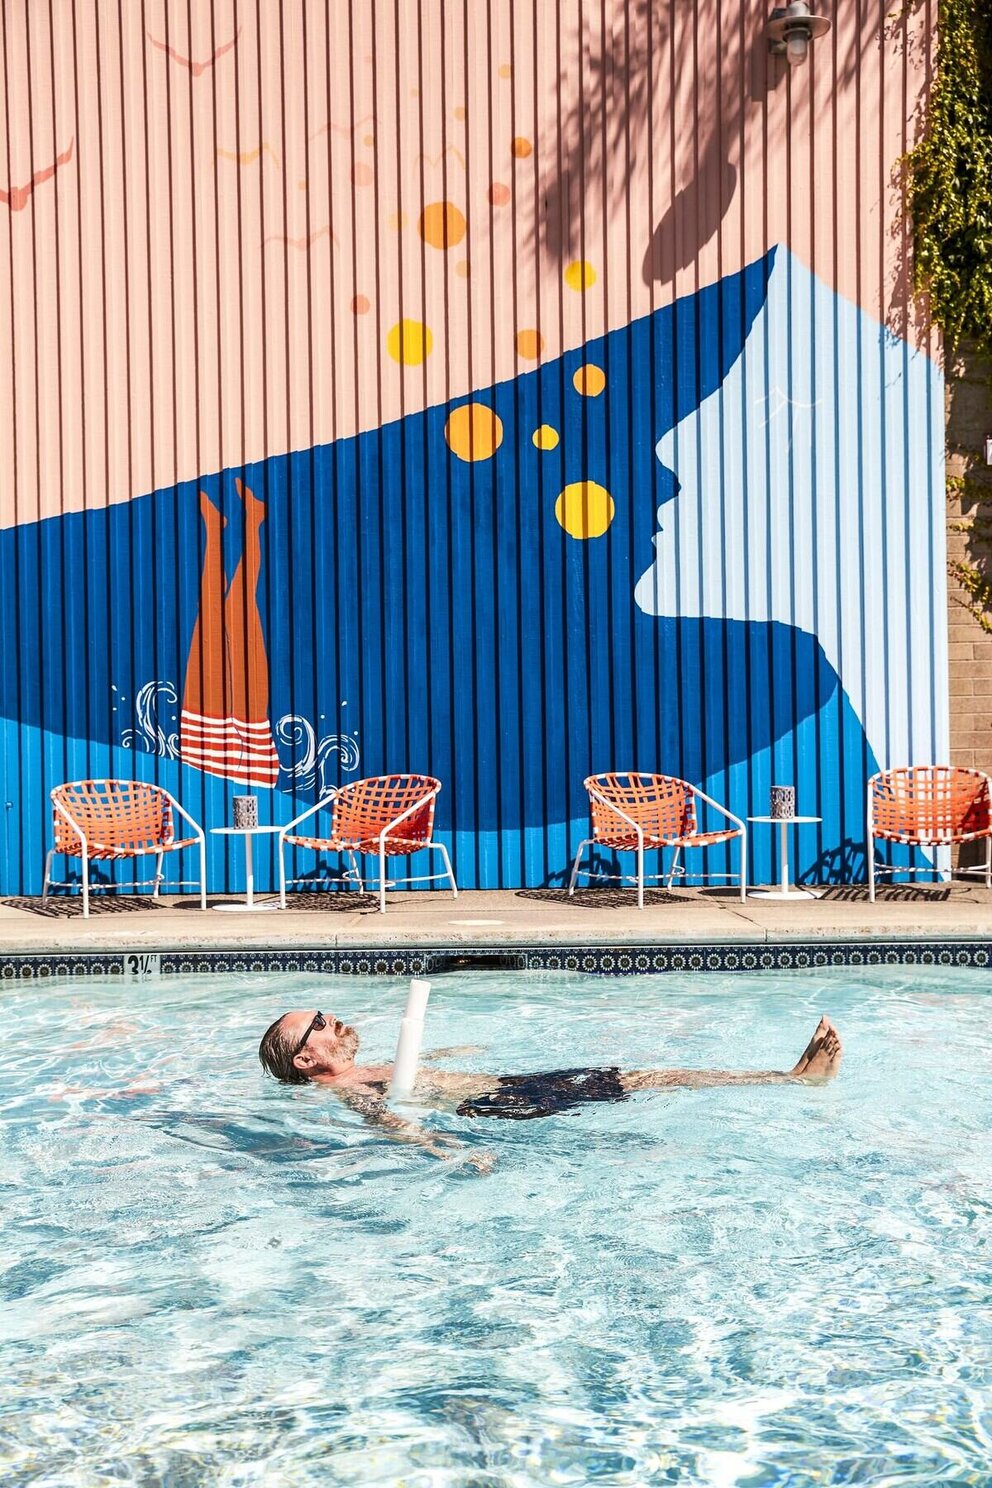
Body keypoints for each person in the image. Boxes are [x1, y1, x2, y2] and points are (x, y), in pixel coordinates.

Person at [258, 1009, 842, 1166]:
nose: (334, 1021)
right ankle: (793, 1080)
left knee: (647, 1075)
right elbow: (390, 1123)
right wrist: (447, 1150)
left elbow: (407, 1080)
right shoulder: (346, 1091)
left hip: (513, 1086)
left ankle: (787, 1078)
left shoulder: (366, 1069)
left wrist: (446, 1056)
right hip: (500, 1104)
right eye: (321, 1022)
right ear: (307, 1059)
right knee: (651, 1081)